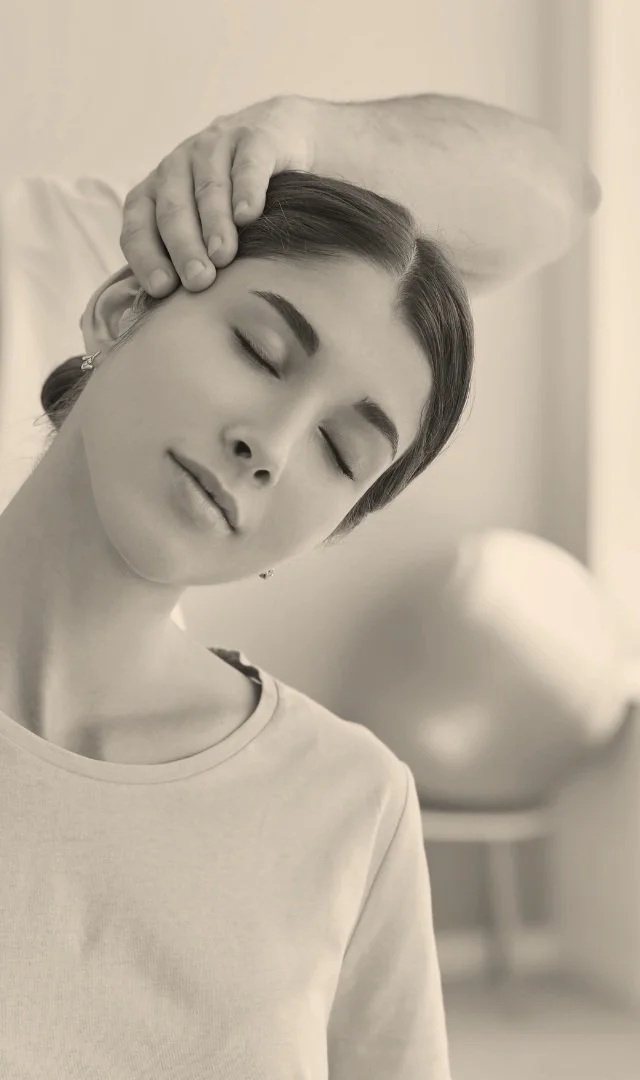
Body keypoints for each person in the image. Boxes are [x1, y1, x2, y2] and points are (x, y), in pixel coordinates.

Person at [0, 93, 600, 1078]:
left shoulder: (348, 803)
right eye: (258, 352)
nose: (269, 446)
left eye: (338, 449)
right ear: (114, 310)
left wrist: (301, 134)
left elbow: (555, 197)